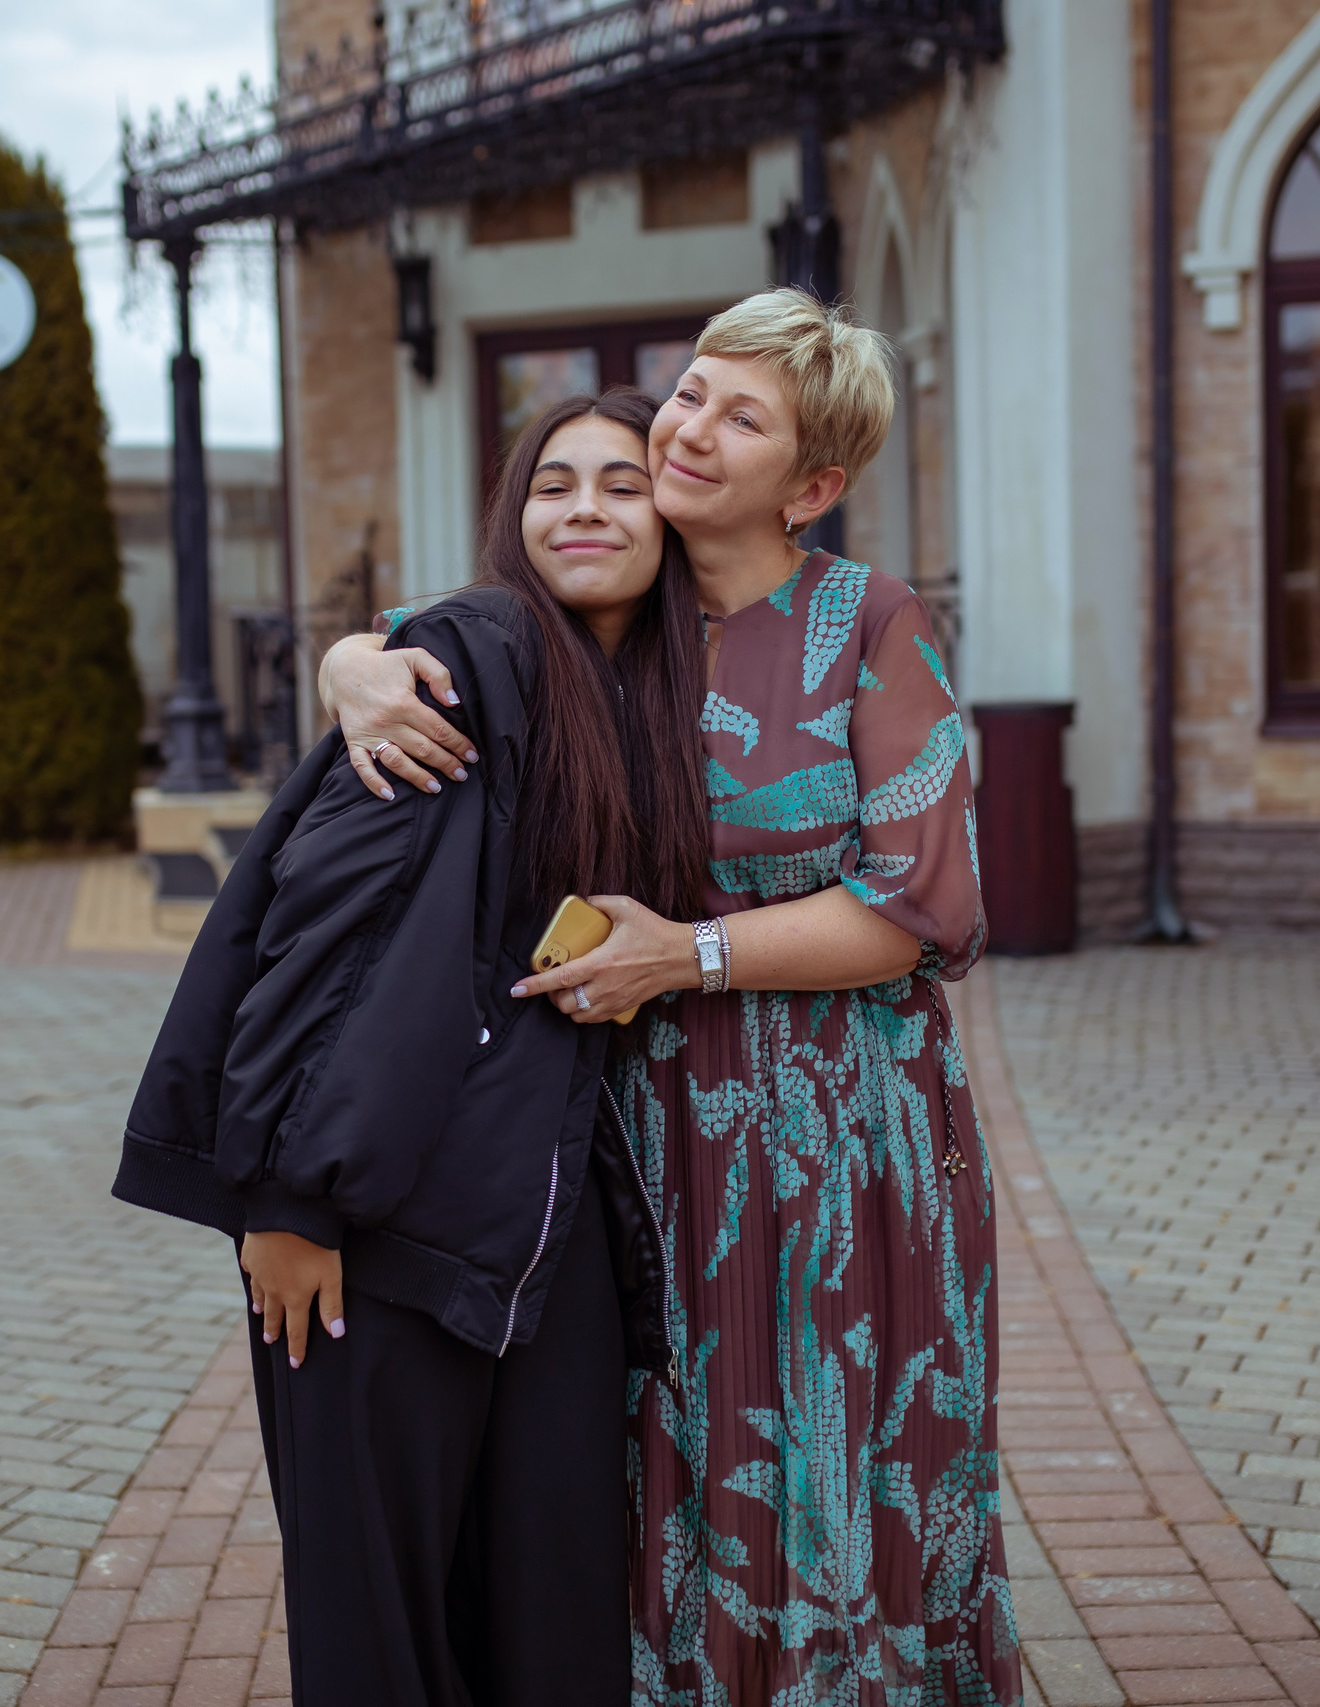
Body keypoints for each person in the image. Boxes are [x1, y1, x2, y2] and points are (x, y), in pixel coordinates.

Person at [318, 289, 1021, 1704]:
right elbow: (408, 644)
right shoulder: (596, 613)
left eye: (740, 417)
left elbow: (923, 905)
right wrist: (351, 667)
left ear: (812, 485)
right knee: (654, 1468)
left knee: (842, 1468)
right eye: (693, 391)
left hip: (847, 1142)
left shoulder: (867, 622)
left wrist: (686, 955)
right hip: (636, 1133)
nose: (690, 427)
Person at [113, 388, 708, 1707]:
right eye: (555, 483)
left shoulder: (644, 697)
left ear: (671, 517)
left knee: (548, 1624)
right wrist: (285, 1199)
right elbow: (321, 927)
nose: (588, 507)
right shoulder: (472, 650)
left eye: (622, 482)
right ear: (513, 514)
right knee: (379, 1639)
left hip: (535, 1248)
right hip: (370, 1236)